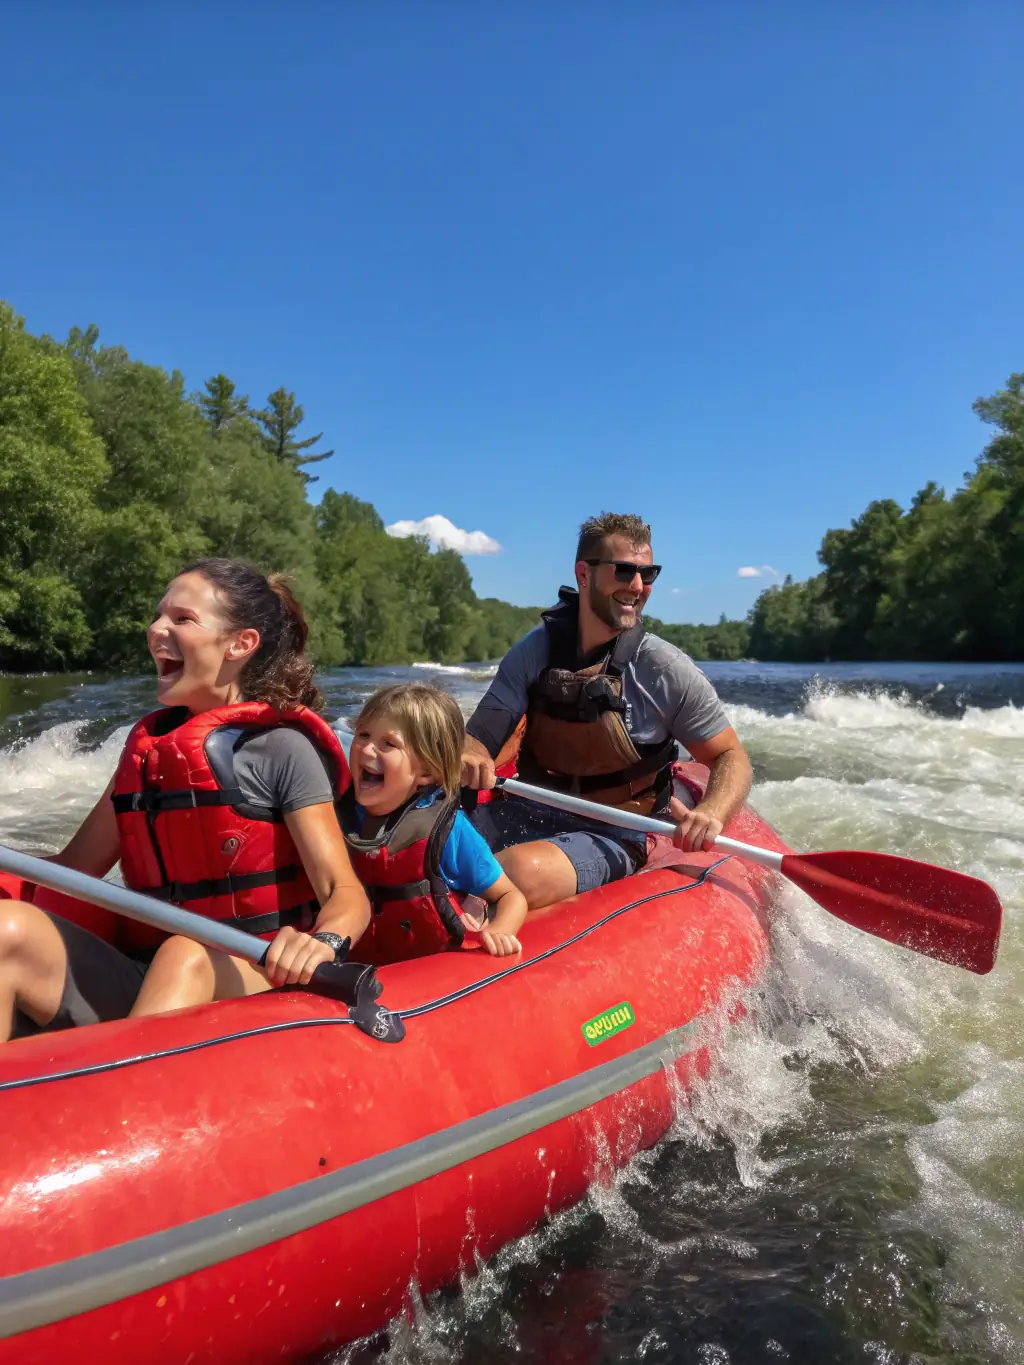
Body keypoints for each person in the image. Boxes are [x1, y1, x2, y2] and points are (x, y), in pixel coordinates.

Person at [0, 559, 370, 1042]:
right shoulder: (150, 755)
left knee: (185, 953)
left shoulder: (282, 748)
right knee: (8, 927)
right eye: (158, 616)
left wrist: (321, 943)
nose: (156, 629)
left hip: (253, 977)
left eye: (182, 619)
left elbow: (346, 895)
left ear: (240, 643)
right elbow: (71, 871)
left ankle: (120, 1097)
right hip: (150, 971)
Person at [460, 512, 753, 908]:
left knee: (515, 874)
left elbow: (729, 755)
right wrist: (470, 751)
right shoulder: (535, 650)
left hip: (613, 832)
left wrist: (712, 811)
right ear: (584, 574)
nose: (637, 586)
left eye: (647, 574)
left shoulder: (664, 669)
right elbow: (479, 739)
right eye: (623, 571)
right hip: (525, 809)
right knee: (421, 840)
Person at [342, 683, 527, 960]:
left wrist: (501, 929)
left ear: (427, 772)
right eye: (363, 735)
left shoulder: (449, 831)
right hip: (363, 959)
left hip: (430, 967)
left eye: (388, 744)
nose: (367, 749)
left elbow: (510, 896)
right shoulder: (340, 812)